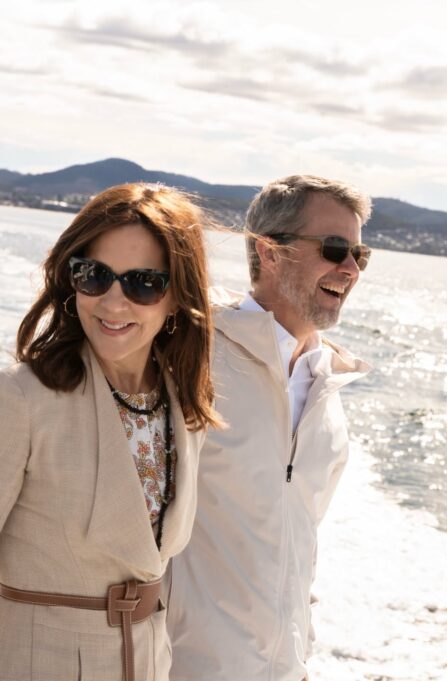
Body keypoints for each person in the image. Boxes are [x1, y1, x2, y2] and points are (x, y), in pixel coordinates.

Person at [0, 182, 220, 681]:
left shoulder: (185, 406)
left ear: (177, 297)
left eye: (143, 283)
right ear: (71, 280)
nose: (113, 303)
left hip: (148, 664)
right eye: (94, 276)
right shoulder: (20, 398)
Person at [168, 174, 372, 680]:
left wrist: (298, 656)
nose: (350, 268)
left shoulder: (327, 387)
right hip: (184, 666)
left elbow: (300, 543)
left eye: (359, 255)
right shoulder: (191, 353)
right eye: (334, 249)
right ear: (270, 251)